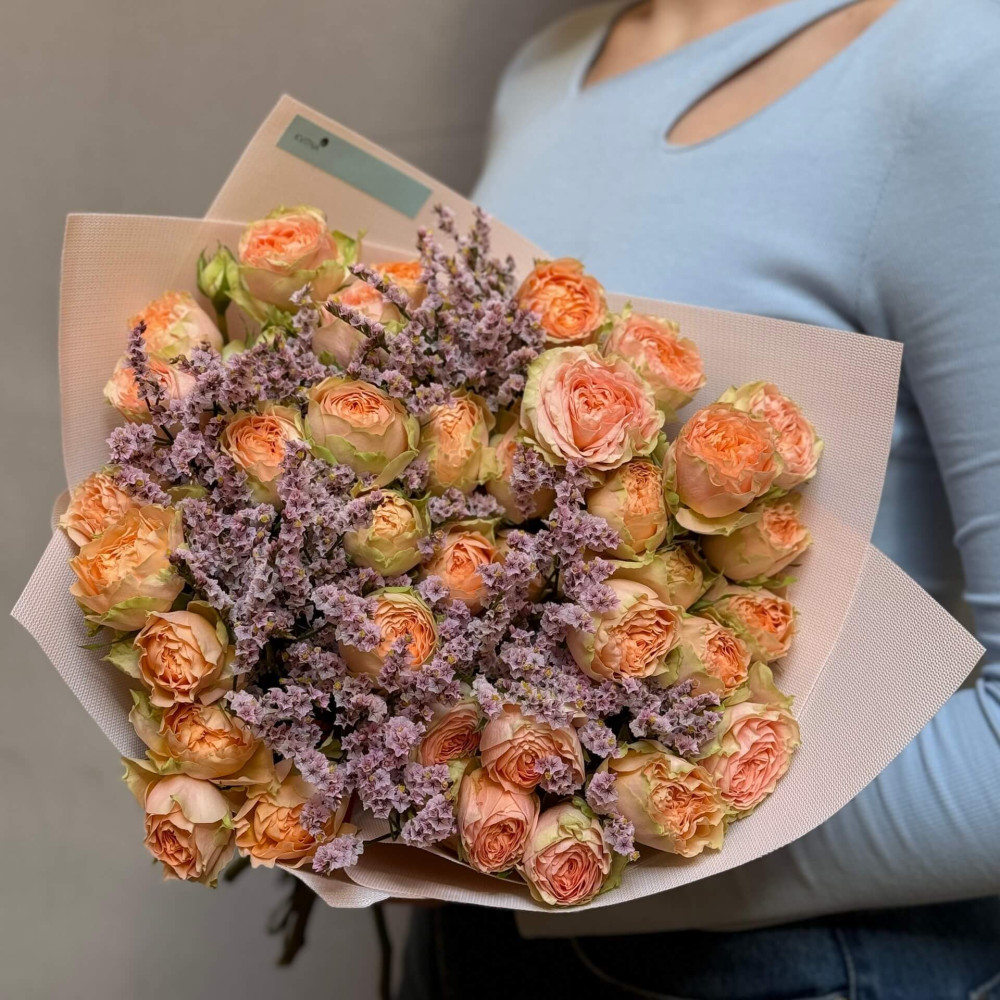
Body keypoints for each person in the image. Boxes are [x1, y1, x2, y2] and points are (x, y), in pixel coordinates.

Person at [399, 1, 1000, 997]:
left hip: (801, 964)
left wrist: (555, 839)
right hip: (480, 943)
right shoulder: (546, 73)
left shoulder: (952, 66)